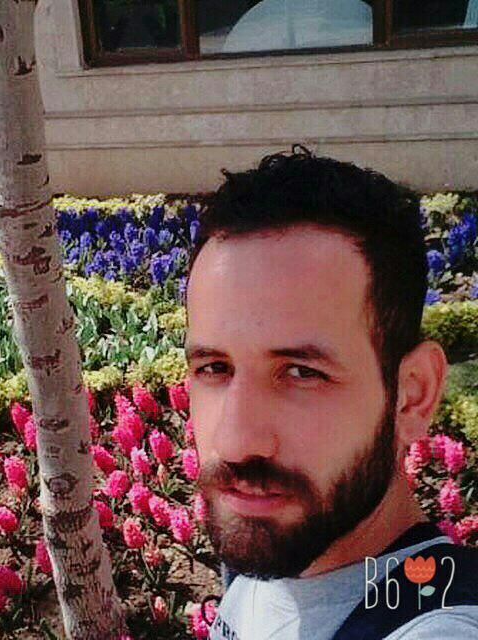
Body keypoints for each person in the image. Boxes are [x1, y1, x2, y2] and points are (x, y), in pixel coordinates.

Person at [184, 146, 478, 639]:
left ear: (412, 396)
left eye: (301, 373)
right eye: (215, 368)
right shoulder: (278, 556)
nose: (235, 443)